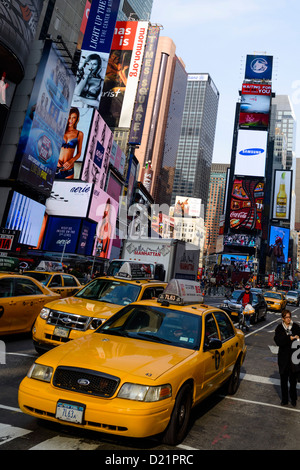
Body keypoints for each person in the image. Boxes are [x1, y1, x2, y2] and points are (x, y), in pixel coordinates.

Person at [274, 310, 300, 406]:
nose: (288, 319)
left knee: (293, 382)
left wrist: (297, 338)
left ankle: (293, 399)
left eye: (289, 317)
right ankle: (284, 399)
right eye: (286, 317)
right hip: (283, 359)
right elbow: (278, 341)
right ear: (283, 318)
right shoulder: (279, 328)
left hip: (294, 358)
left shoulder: (296, 327)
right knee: (283, 381)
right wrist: (288, 338)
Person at [56, 107, 83, 179]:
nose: (70, 120)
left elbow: (79, 153)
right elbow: (52, 147)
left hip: (69, 169)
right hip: (56, 166)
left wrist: (71, 161)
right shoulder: (59, 130)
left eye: (73, 118)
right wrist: (55, 159)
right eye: (69, 117)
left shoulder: (79, 134)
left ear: (77, 119)